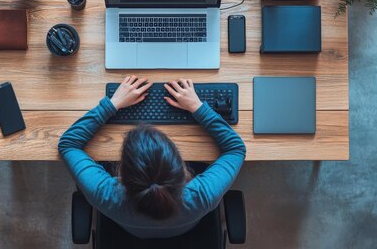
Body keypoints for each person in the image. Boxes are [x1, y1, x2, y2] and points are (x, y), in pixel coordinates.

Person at [58, 75, 246, 239]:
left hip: (131, 233)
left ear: (121, 171)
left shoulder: (106, 196)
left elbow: (68, 144)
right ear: (183, 168)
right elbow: (235, 148)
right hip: (183, 230)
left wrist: (112, 104)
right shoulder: (202, 197)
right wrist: (197, 107)